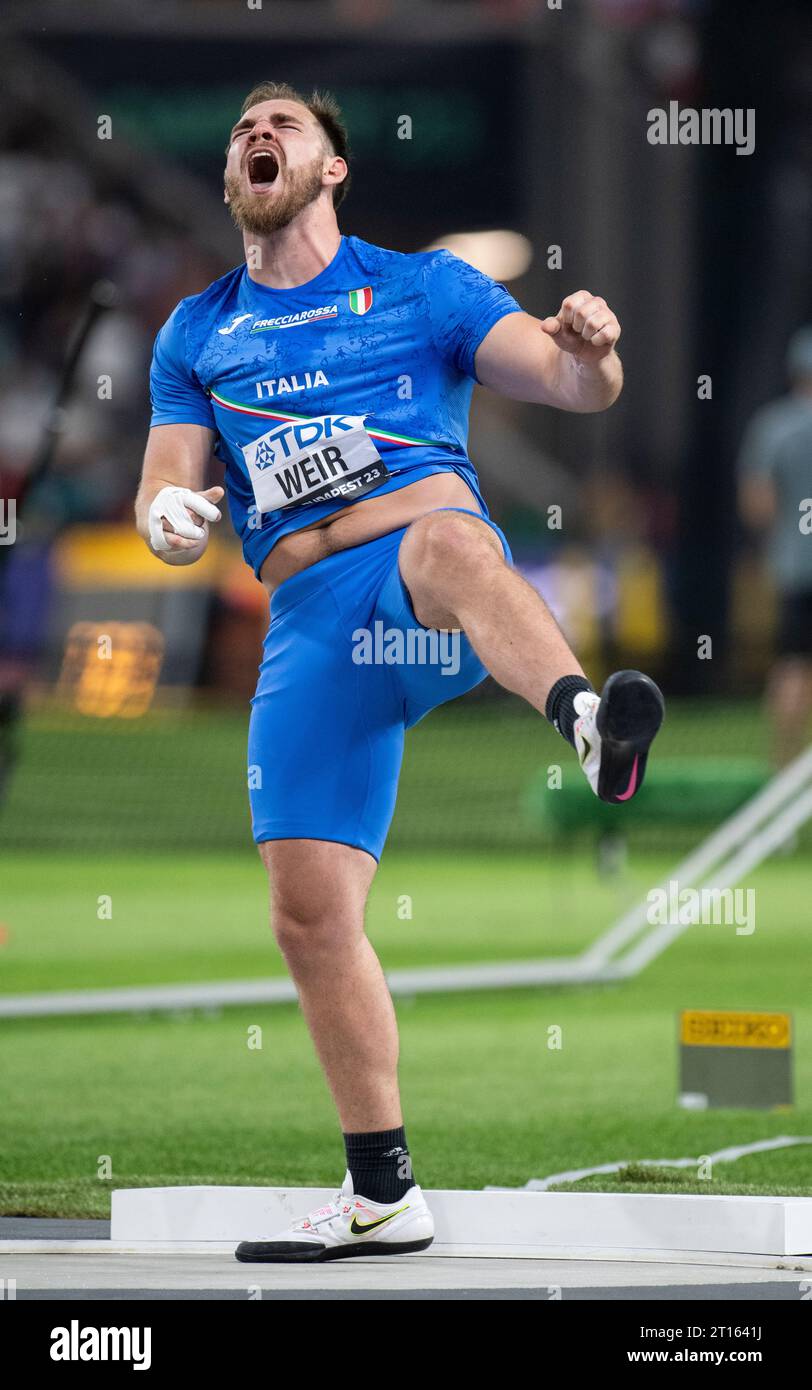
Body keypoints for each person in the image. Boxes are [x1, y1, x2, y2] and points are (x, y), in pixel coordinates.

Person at [135, 81, 664, 1263]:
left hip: (428, 595)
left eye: (284, 127)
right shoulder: (196, 331)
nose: (255, 136)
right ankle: (382, 1190)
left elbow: (568, 381)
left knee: (445, 535)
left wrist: (592, 354)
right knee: (310, 914)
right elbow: (162, 488)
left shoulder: (424, 287)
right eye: (239, 130)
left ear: (332, 168)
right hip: (313, 628)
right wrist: (172, 517)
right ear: (234, 179)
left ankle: (582, 719)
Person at [738, 327, 812, 766]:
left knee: (792, 663)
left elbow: (757, 504)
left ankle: (785, 765)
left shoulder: (773, 427)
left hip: (794, 566)